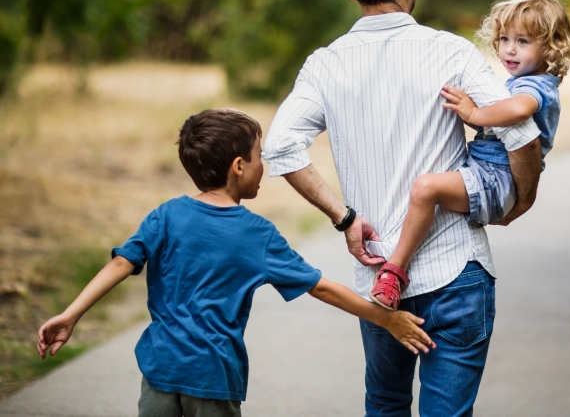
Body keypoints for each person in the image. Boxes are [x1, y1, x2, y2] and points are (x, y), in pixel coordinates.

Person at [262, 0, 543, 415]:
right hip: (457, 270)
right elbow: (523, 134)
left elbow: (280, 147)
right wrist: (519, 201)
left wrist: (344, 217)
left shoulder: (324, 65)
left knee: (387, 404)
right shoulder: (451, 52)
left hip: (379, 281)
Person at [36, 108, 435, 417]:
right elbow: (321, 287)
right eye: (259, 155)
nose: (264, 165)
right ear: (239, 167)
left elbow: (120, 265)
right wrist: (385, 318)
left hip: (159, 373)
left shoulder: (165, 216)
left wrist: (70, 315)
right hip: (212, 379)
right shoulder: (255, 234)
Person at [370, 0, 570, 311]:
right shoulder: (523, 82)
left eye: (523, 41)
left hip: (495, 181)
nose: (509, 48)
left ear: (550, 47)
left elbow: (521, 109)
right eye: (505, 38)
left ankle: (395, 271)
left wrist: (473, 114)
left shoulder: (534, 87)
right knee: (422, 188)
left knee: (425, 188)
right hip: (485, 174)